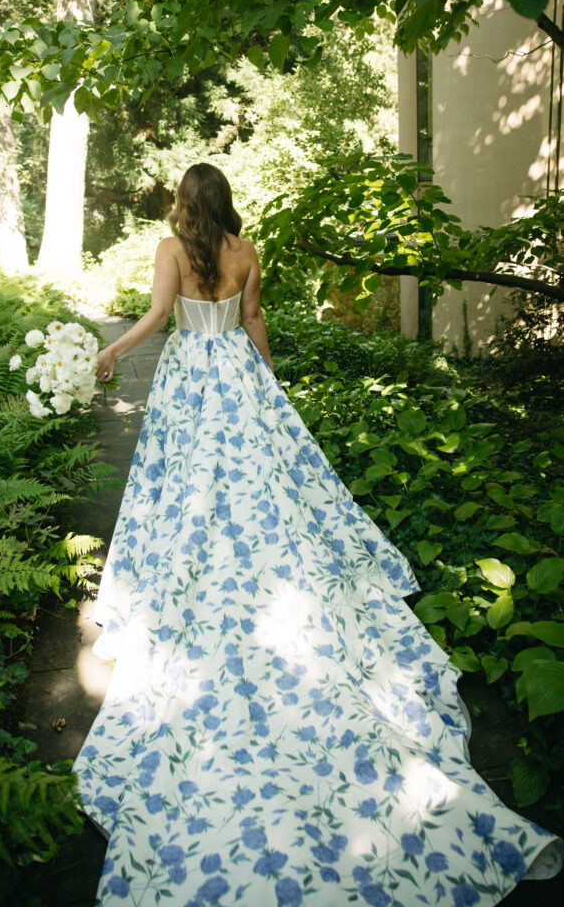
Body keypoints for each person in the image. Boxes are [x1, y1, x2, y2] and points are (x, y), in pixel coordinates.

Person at [73, 164, 563, 906]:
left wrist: (113, 351)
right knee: (263, 478)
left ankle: (191, 561)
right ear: (225, 203)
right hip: (237, 375)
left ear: (184, 204)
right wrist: (267, 384)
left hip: (189, 380)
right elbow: (253, 321)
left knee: (183, 484)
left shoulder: (172, 247)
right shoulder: (247, 250)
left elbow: (156, 317)